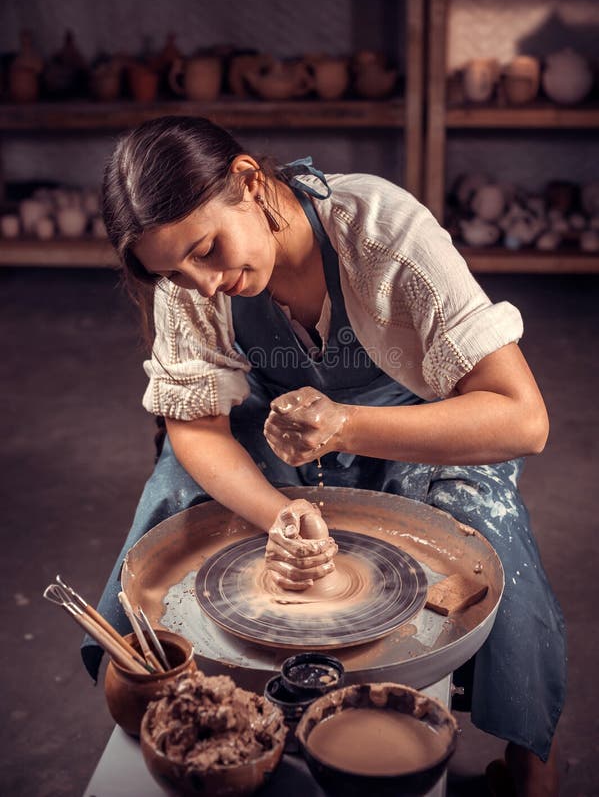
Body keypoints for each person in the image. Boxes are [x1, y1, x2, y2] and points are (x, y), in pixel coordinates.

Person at [91, 115, 565, 796]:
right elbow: (192, 428)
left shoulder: (381, 229)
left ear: (250, 182)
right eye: (180, 273)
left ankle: (531, 769)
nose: (205, 281)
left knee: (480, 520)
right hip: (275, 431)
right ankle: (186, 717)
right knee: (176, 497)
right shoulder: (185, 274)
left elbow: (524, 419)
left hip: (410, 419)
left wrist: (345, 424)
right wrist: (275, 513)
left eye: (208, 249)